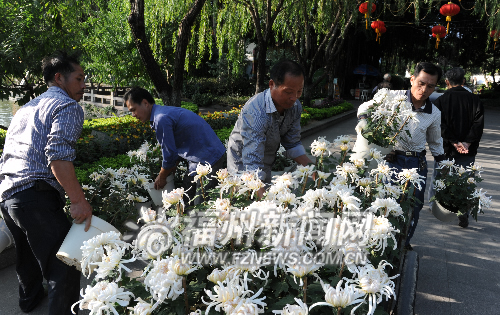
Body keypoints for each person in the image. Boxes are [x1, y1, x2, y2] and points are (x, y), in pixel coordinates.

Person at [0, 51, 92, 314]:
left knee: (26, 257)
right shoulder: (67, 106)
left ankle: (29, 302)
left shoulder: (27, 108)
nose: (84, 85)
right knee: (65, 264)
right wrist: (78, 201)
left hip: (8, 196)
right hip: (34, 196)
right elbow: (58, 154)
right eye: (79, 78)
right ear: (59, 78)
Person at [358, 62, 445, 251]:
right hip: (389, 161)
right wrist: (370, 133)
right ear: (412, 79)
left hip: (416, 164)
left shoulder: (434, 113)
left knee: (413, 207)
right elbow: (364, 109)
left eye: (430, 86)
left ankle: (403, 244)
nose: (424, 89)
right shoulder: (392, 97)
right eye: (421, 83)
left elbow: (436, 142)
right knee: (382, 203)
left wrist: (446, 166)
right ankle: (376, 245)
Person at [227, 59, 314, 198]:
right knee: (246, 205)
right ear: (272, 84)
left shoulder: (295, 107)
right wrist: (267, 206)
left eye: (299, 91)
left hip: (265, 161)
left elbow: (292, 142)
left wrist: (315, 171)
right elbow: (252, 162)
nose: (294, 98)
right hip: (243, 163)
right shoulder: (256, 111)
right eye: (288, 91)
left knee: (265, 200)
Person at [123, 87, 226, 205]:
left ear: (145, 103)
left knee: (201, 203)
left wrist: (162, 177)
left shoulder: (161, 118)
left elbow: (169, 153)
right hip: (198, 157)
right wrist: (172, 166)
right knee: (186, 195)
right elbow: (176, 145)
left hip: (209, 158)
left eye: (134, 110)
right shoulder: (160, 113)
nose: (133, 115)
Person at [431, 67, 484, 228]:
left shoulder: (440, 100)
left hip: (446, 148)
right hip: (468, 150)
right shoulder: (475, 100)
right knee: (466, 180)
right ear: (464, 81)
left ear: (446, 82)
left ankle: (437, 208)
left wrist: (454, 141)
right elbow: (478, 124)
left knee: (440, 177)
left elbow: (439, 125)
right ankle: (463, 212)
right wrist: (467, 142)